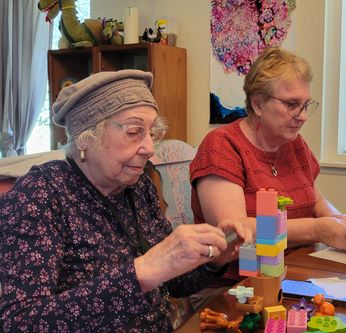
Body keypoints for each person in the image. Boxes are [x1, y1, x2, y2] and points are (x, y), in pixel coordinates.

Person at [0, 70, 251, 332]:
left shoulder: (137, 186)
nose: (150, 148)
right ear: (88, 136)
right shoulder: (40, 194)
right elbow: (21, 322)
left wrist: (214, 259)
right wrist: (142, 271)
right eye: (134, 131)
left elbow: (175, 283)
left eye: (152, 133)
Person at [190, 48, 346, 254]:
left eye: (305, 105)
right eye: (292, 104)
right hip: (244, 279)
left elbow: (317, 201)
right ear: (258, 104)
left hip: (299, 269)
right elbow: (235, 231)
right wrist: (319, 230)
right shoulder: (221, 146)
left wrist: (341, 221)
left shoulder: (295, 144)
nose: (303, 116)